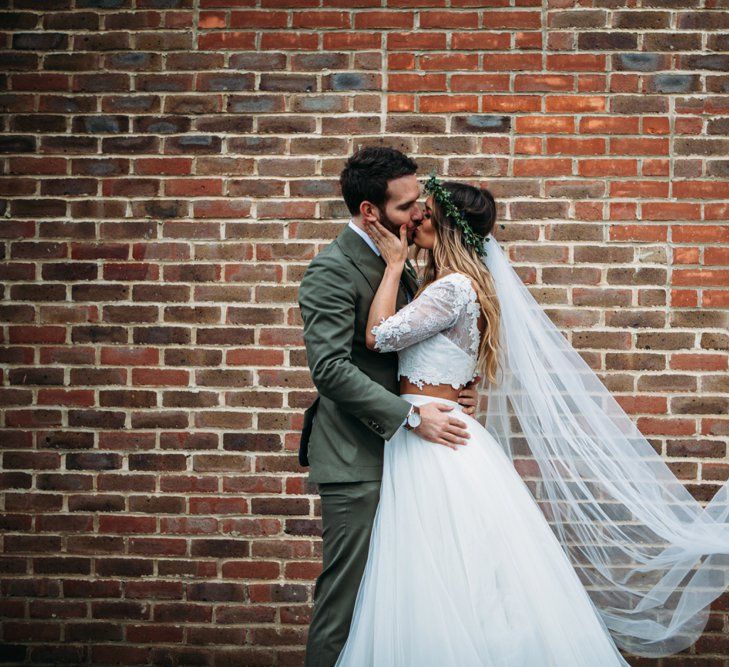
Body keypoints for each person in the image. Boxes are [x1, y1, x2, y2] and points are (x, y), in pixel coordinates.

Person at [332, 174, 729, 665]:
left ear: (449, 229)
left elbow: (378, 338)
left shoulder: (452, 286)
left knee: (439, 567)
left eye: (426, 214)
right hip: (444, 426)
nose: (416, 220)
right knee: (465, 569)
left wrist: (393, 266)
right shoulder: (463, 283)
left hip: (433, 439)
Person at [297, 147, 480, 667]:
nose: (419, 215)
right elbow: (330, 370)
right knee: (348, 603)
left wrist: (450, 391)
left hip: (411, 459)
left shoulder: (403, 266)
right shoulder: (331, 270)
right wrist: (413, 416)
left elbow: (422, 347)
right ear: (369, 212)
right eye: (406, 208)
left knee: (401, 602)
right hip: (358, 457)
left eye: (421, 204)